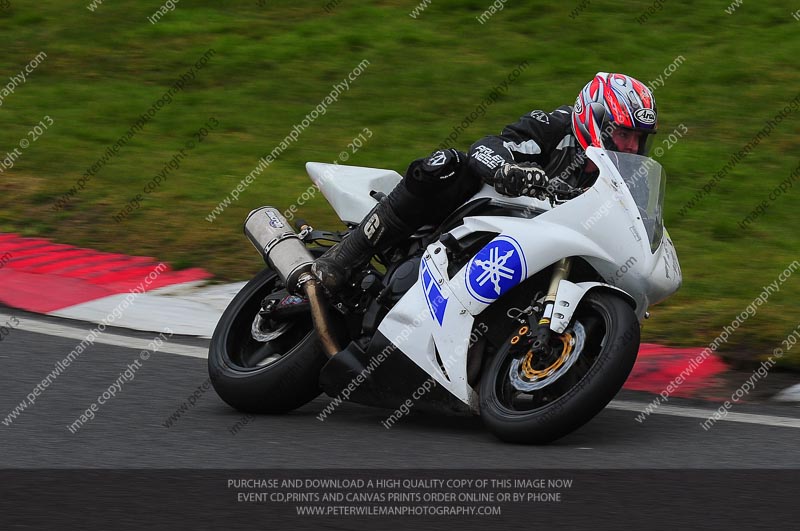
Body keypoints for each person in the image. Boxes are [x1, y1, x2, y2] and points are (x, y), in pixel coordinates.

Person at [312, 72, 658, 293]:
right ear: (593, 119)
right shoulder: (554, 126)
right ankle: (344, 256)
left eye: (638, 138)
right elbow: (487, 147)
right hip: (479, 215)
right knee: (447, 164)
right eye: (624, 133)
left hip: (537, 248)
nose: (631, 146)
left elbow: (632, 225)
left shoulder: (630, 178)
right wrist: (508, 170)